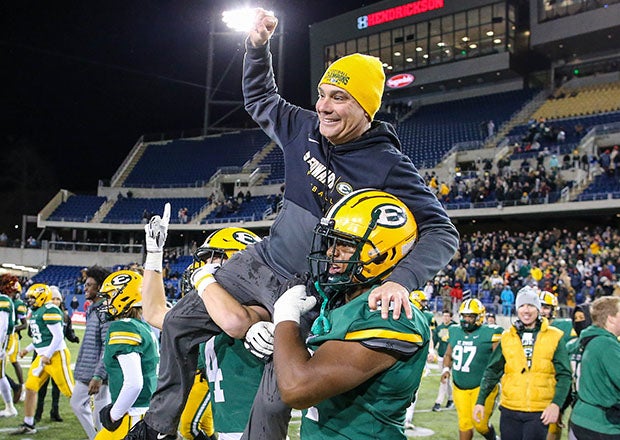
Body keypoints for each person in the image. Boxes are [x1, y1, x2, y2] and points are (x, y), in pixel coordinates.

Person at [126, 9, 459, 440]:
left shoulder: (389, 165)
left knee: (276, 394)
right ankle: (157, 426)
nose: (323, 105)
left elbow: (441, 229)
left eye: (339, 97)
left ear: (366, 107)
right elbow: (260, 98)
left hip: (310, 286)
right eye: (322, 94)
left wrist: (400, 280)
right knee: (178, 322)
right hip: (262, 261)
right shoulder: (304, 127)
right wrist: (257, 48)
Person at [272, 189, 431, 439]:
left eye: (345, 244)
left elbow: (297, 388)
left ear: (384, 253)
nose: (330, 252)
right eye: (331, 242)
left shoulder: (386, 312)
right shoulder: (342, 300)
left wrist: (285, 318)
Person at [141, 220, 265, 440]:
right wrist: (154, 254)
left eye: (212, 259)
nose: (203, 267)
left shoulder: (260, 311)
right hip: (229, 432)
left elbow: (236, 322)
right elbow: (154, 313)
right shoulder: (206, 319)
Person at [473, 286, 572, 440]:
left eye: (531, 305)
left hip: (539, 411)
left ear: (538, 309)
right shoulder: (506, 337)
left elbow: (565, 375)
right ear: (517, 309)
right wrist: (480, 401)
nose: (526, 310)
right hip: (509, 409)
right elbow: (492, 371)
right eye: (522, 306)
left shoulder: (555, 336)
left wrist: (556, 404)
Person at [94, 270, 159, 439]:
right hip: (146, 412)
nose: (106, 303)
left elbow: (134, 383)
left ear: (123, 297)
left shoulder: (123, 327)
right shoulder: (143, 326)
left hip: (133, 416)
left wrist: (113, 415)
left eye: (109, 297)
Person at [12, 283, 75, 435]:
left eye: (32, 298)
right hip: (43, 356)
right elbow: (42, 339)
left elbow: (59, 336)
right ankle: (28, 423)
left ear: (41, 297)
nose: (30, 301)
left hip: (55, 356)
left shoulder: (50, 309)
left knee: (71, 393)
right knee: (31, 387)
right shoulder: (37, 311)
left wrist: (47, 354)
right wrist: (27, 349)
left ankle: (98, 420)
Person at [441, 298, 503, 440]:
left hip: (482, 386)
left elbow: (499, 361)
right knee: (464, 424)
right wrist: (445, 369)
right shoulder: (454, 330)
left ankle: (494, 438)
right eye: (464, 316)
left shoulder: (491, 332)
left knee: (480, 424)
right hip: (459, 385)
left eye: (470, 316)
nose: (466, 320)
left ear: (479, 317)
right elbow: (448, 354)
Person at [568, 296, 620, 439]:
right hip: (601, 425)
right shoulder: (606, 344)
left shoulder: (586, 340)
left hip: (580, 417)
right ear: (611, 318)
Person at [70, 265, 113, 440]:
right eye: (85, 284)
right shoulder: (93, 309)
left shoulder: (104, 312)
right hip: (89, 370)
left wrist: (99, 374)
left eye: (90, 285)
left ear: (100, 288)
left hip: (97, 373)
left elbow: (107, 345)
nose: (85, 288)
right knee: (80, 405)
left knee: (100, 411)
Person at [35, 286, 80, 423]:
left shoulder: (64, 316)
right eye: (53, 298)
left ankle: (55, 411)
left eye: (58, 299)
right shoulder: (41, 313)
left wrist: (73, 338)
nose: (55, 301)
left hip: (57, 354)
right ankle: (38, 413)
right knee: (41, 385)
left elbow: (68, 332)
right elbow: (34, 333)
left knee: (57, 386)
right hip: (43, 353)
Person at [1, 274, 26, 404]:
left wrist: (12, 329)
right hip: (6, 335)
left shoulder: (17, 303)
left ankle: (20, 386)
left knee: (12, 361)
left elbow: (24, 324)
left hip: (10, 337)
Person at [432, 310, 457, 412]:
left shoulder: (455, 328)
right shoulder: (439, 328)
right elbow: (435, 341)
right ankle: (451, 399)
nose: (445, 318)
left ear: (451, 317)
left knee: (444, 380)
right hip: (441, 356)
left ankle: (438, 402)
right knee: (446, 381)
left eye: (447, 316)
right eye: (444, 316)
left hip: (450, 357)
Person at [0, 282, 17, 417]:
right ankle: (10, 407)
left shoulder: (3, 300)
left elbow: (2, 327)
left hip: (2, 342)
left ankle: (10, 407)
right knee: (0, 376)